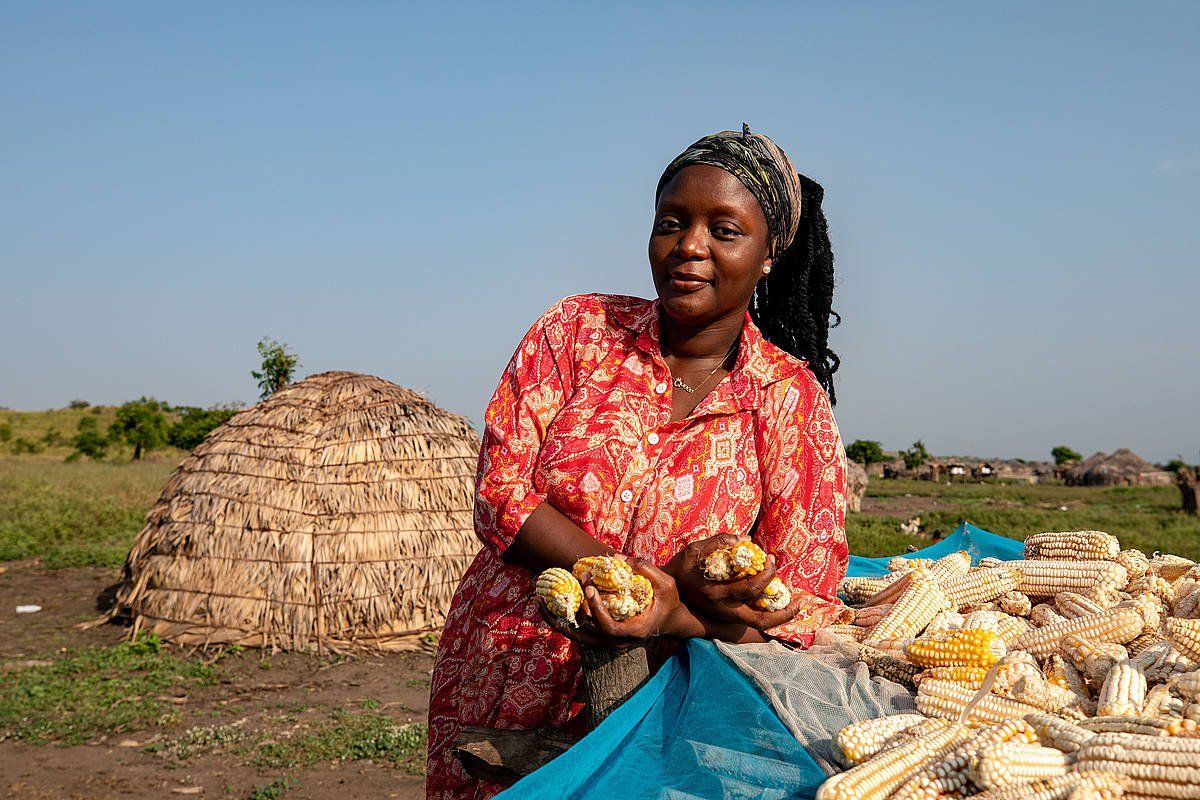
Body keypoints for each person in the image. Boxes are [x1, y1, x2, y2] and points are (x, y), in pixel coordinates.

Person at [426, 126, 850, 800]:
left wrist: (671, 612)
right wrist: (622, 581)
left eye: (724, 229)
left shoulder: (788, 400)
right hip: (512, 668)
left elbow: (807, 599)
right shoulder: (577, 330)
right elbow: (500, 490)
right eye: (672, 223)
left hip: (664, 710)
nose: (690, 245)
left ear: (769, 254)